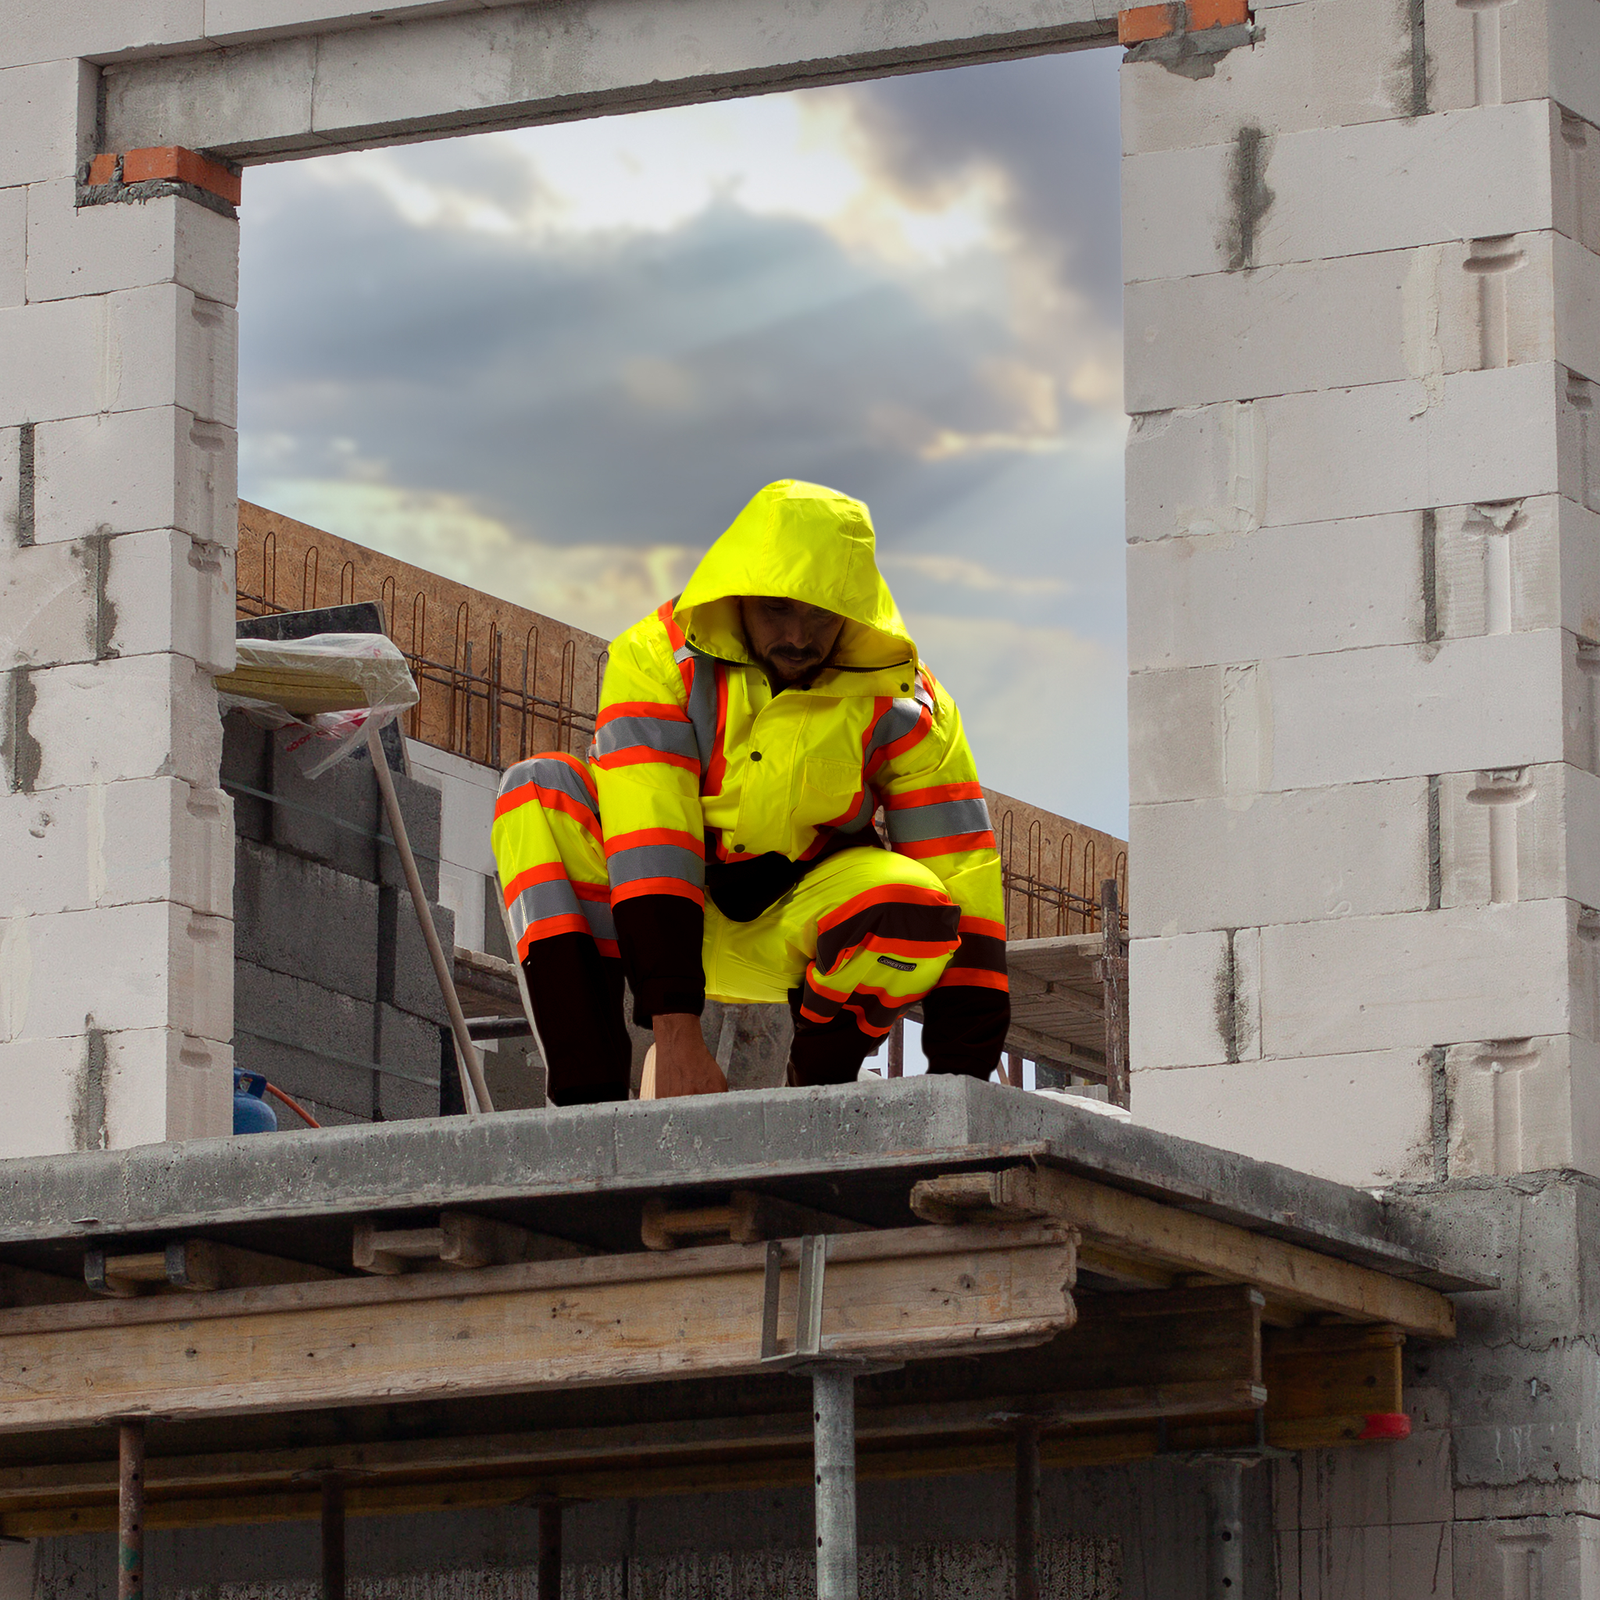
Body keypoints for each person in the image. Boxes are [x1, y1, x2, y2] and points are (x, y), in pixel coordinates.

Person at [491, 479, 1010, 1102]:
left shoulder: (908, 702)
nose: (798, 635)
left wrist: (964, 1089)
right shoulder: (657, 657)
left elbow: (966, 878)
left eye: (821, 614)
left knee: (920, 904)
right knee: (535, 791)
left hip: (793, 926)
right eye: (777, 610)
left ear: (855, 609)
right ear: (737, 598)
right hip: (650, 919)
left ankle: (816, 1094)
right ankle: (588, 1100)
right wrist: (678, 1038)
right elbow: (653, 840)